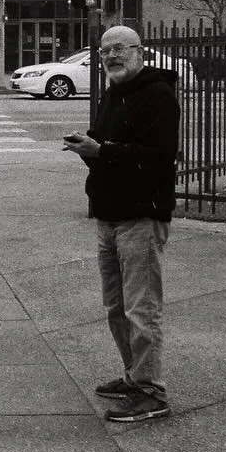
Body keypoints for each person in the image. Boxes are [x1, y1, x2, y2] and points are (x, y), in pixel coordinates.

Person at [62, 25, 179, 423]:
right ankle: (135, 376)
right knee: (116, 307)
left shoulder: (158, 95)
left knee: (141, 309)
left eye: (119, 48)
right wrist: (87, 147)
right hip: (108, 215)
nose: (112, 56)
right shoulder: (113, 94)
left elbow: (160, 157)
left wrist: (104, 150)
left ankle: (151, 392)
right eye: (105, 50)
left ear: (139, 51)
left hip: (141, 216)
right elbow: (104, 146)